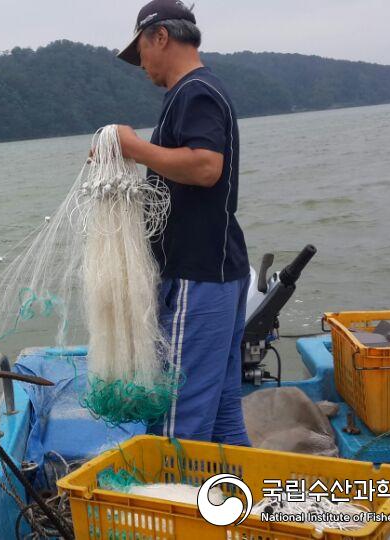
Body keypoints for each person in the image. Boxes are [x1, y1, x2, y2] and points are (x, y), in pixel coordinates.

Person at [115, 0, 252, 446]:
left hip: (197, 275)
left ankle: (175, 507)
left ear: (161, 37)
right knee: (223, 413)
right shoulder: (194, 92)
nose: (141, 66)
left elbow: (205, 166)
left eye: (141, 53)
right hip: (218, 269)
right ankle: (244, 509)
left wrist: (133, 147)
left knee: (179, 420)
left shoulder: (195, 92)